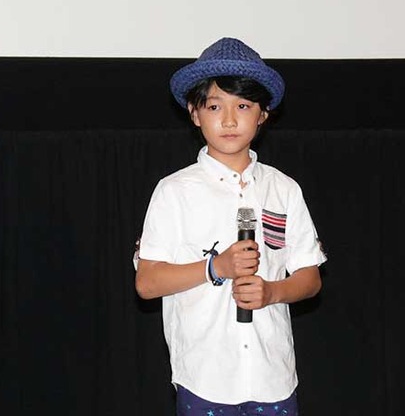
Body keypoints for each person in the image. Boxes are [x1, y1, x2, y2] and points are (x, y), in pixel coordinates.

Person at [133, 38, 326, 415]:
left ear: (263, 114)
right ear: (194, 114)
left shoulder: (283, 188)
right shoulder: (175, 191)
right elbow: (147, 282)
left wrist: (272, 291)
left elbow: (310, 277)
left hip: (273, 376)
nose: (229, 119)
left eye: (243, 106)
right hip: (206, 377)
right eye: (214, 106)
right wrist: (216, 267)